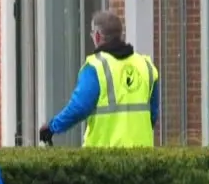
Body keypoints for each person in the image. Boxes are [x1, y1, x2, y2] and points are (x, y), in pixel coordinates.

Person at [40, 9, 160, 147]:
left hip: (105, 157)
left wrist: (52, 127)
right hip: (142, 156)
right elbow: (153, 113)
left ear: (97, 36)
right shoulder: (146, 66)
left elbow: (79, 108)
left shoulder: (95, 67)